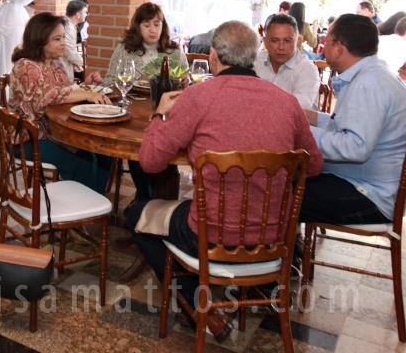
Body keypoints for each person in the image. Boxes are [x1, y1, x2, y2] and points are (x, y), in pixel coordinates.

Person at [127, 21, 322, 341]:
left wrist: (160, 115)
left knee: (137, 213)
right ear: (256, 54)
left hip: (208, 235)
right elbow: (313, 166)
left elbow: (150, 162)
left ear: (214, 56)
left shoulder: (197, 97)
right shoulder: (288, 103)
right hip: (273, 238)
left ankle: (195, 305)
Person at [299, 14, 406, 226]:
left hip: (369, 196)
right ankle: (288, 253)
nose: (323, 46)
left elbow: (355, 147)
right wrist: (311, 118)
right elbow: (354, 126)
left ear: (339, 48)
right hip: (371, 186)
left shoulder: (367, 85)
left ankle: (277, 256)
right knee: (284, 184)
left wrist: (299, 130)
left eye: (327, 41)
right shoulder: (376, 74)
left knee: (277, 194)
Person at [7, 13, 110, 192]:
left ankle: (94, 203)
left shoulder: (55, 63)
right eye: (57, 39)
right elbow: (43, 100)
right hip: (26, 138)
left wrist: (86, 87)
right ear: (39, 39)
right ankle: (86, 210)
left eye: (63, 37)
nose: (63, 42)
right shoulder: (26, 66)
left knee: (104, 153)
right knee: (83, 160)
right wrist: (86, 94)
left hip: (52, 132)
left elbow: (64, 91)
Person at [106, 2, 189, 204]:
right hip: (134, 113)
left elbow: (187, 81)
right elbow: (110, 81)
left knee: (162, 149)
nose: (153, 30)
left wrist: (186, 81)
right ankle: (147, 200)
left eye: (157, 24)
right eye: (146, 24)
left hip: (166, 114)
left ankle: (152, 202)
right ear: (137, 26)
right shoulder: (125, 50)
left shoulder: (173, 51)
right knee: (139, 149)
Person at [254, 14, 320, 110]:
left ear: (297, 41)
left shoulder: (307, 69)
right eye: (275, 40)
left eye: (287, 41)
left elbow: (295, 110)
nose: (281, 47)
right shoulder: (254, 62)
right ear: (265, 41)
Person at [62, 0, 88, 83]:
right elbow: (70, 51)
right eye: (85, 12)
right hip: (62, 67)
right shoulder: (68, 27)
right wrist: (83, 62)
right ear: (78, 15)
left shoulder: (67, 24)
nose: (86, 15)